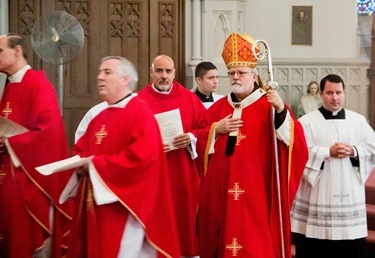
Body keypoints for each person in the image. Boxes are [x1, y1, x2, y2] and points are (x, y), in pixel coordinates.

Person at [195, 32, 308, 258]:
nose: (236, 77)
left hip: (257, 196)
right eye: (232, 73)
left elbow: (297, 144)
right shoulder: (218, 109)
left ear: (255, 75)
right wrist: (216, 130)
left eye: (242, 72)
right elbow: (198, 139)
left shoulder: (269, 105)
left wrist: (281, 112)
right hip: (223, 198)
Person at [63, 56, 181, 257]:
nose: (100, 77)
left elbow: (142, 161)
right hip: (96, 206)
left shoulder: (140, 115)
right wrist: (79, 164)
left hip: (124, 210)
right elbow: (81, 151)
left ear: (125, 79)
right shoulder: (99, 116)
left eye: (107, 72)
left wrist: (94, 165)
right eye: (99, 72)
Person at [0, 33, 73, 257]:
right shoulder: (10, 86)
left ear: (17, 51)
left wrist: (10, 142)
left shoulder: (38, 84)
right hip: (7, 180)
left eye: (0, 51)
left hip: (29, 184)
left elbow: (49, 135)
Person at [290, 74, 375, 258]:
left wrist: (353, 150)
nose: (335, 97)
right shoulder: (306, 122)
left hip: (349, 194)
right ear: (321, 93)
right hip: (319, 194)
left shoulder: (358, 121)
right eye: (329, 93)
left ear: (344, 93)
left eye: (338, 92)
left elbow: (372, 147)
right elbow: (298, 153)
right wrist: (328, 152)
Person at [137, 54, 206, 257]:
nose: (164, 76)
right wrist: (150, 145)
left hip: (183, 174)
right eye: (159, 71)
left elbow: (207, 129)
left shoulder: (189, 98)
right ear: (151, 73)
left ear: (174, 73)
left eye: (168, 71)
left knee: (183, 222)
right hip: (154, 176)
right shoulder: (139, 101)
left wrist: (191, 138)